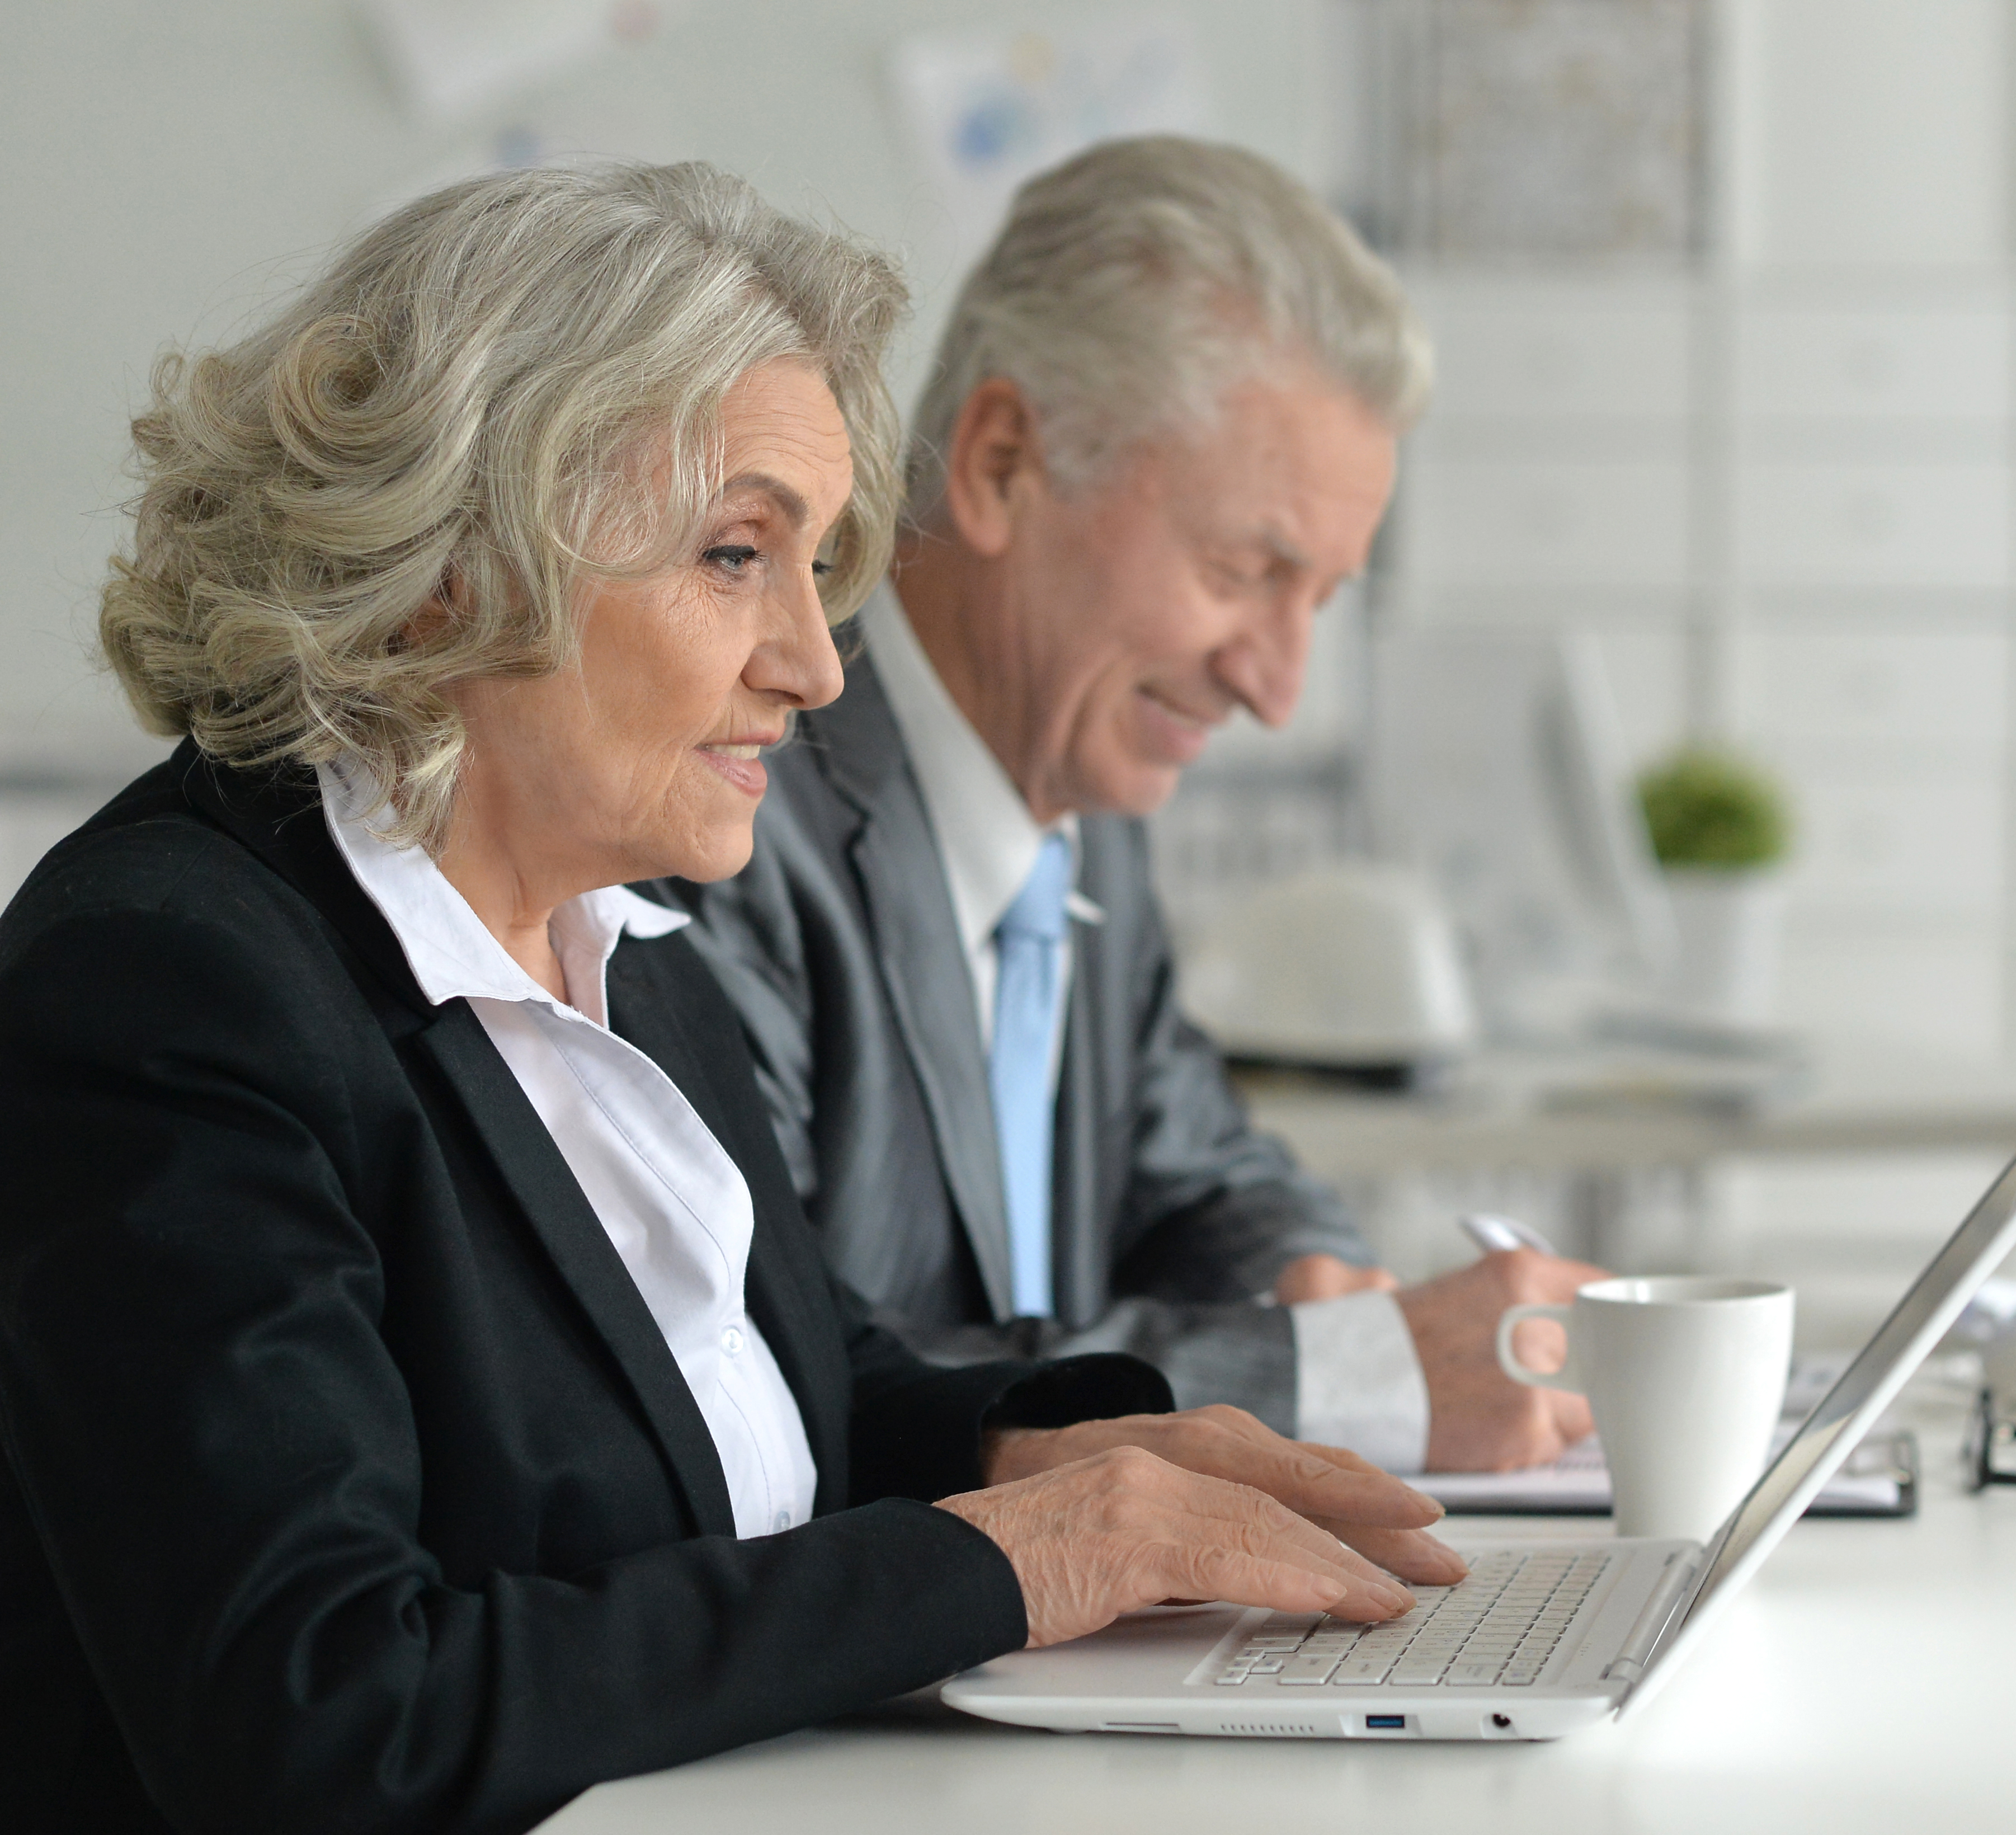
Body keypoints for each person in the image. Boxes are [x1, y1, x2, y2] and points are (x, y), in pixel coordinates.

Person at [0, 161, 1461, 1835]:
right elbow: (325, 1718)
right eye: (732, 553)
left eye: (816, 562)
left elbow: (805, 1387)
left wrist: (1046, 1463)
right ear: (453, 562)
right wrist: (992, 1567)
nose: (818, 662)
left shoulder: (619, 932)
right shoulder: (168, 988)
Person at [665, 137, 1604, 1475]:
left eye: (1318, 598)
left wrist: (1315, 1278)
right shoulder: (725, 804)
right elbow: (787, 1363)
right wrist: (1337, 1376)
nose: (1276, 687)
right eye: (1242, 568)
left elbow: (1193, 1166)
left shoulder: (1084, 802)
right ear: (999, 464)